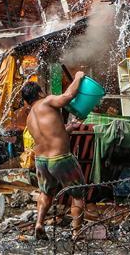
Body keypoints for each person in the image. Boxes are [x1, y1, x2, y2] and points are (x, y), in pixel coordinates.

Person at [23, 71, 87, 239]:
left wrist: (69, 128)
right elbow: (68, 96)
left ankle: (39, 223)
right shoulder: (48, 100)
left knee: (46, 193)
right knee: (78, 193)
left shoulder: (30, 117)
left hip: (41, 161)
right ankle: (77, 233)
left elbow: (50, 135)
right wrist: (78, 78)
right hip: (60, 158)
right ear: (39, 93)